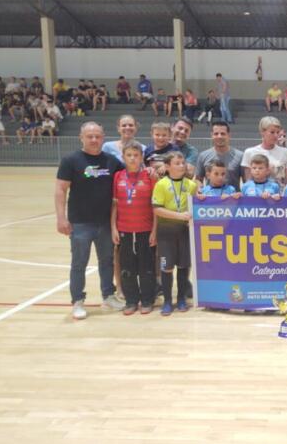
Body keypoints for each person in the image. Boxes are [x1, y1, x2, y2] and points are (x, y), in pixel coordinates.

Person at [55, 122, 124, 320]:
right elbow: (60, 190)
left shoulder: (111, 161)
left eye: (97, 136)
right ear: (81, 137)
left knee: (107, 261)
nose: (94, 140)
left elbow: (127, 175)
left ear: (103, 137)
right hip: (80, 223)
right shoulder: (71, 160)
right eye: (90, 136)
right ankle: (77, 301)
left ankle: (108, 295)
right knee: (79, 263)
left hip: (104, 223)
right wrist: (61, 218)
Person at [110, 140, 157, 316]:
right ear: (123, 157)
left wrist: (154, 230)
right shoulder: (118, 176)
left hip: (145, 228)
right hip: (124, 229)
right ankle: (131, 301)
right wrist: (114, 228)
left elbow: (155, 206)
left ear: (141, 157)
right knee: (127, 267)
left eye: (136, 155)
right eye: (129, 155)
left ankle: (147, 300)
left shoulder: (149, 176)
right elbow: (114, 204)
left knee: (146, 266)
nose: (132, 158)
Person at [152, 151, 197, 315]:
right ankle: (168, 302)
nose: (181, 165)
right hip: (166, 232)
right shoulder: (161, 184)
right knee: (167, 267)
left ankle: (182, 299)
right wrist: (179, 215)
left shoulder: (191, 185)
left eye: (183, 162)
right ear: (167, 166)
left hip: (185, 231)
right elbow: (157, 209)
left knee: (184, 266)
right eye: (177, 163)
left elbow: (198, 204)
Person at [241, 116, 287, 188]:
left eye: (278, 132)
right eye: (272, 132)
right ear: (262, 132)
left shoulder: (286, 152)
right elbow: (248, 181)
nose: (276, 135)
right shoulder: (249, 153)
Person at [195, 121, 244, 190]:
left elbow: (246, 181)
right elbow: (198, 179)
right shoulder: (203, 156)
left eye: (223, 134)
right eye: (216, 134)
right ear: (212, 135)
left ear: (229, 135)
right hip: (211, 198)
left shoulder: (240, 156)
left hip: (233, 199)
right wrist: (200, 189)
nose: (219, 136)